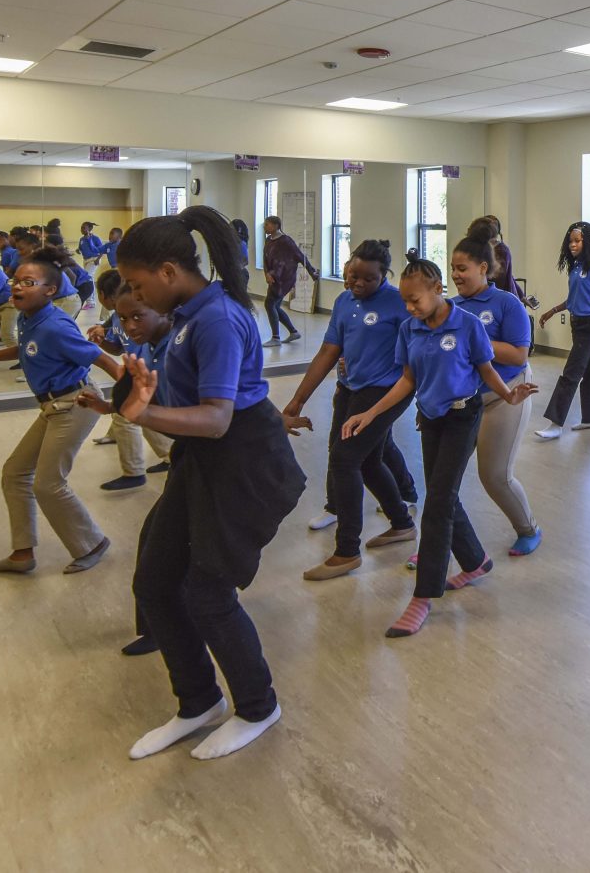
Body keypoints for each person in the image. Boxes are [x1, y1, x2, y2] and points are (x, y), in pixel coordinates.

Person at [115, 206, 306, 763]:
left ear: (169, 271)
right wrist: (142, 390)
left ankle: (257, 705)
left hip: (240, 462)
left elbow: (218, 417)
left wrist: (142, 415)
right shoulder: (189, 315)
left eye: (137, 282)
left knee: (208, 593)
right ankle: (198, 701)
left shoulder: (217, 319)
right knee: (155, 581)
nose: (134, 294)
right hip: (201, 459)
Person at [340, 254, 538, 638]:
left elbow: (486, 369)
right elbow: (407, 380)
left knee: (438, 501)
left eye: (415, 300)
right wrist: (371, 413)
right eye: (405, 302)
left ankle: (423, 596)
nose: (409, 308)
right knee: (442, 495)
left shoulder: (466, 326)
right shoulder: (410, 329)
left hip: (463, 416)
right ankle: (476, 560)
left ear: (437, 290)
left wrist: (510, 396)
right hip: (430, 418)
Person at [0, 245, 118, 575]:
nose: (17, 287)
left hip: (76, 404)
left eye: (28, 283)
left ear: (50, 290)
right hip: (52, 406)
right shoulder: (30, 318)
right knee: (15, 473)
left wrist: (126, 390)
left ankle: (92, 542)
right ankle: (22, 554)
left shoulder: (55, 326)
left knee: (48, 484)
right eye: (16, 281)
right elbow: (21, 350)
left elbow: (98, 355)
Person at [280, 239, 420, 581]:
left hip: (386, 391)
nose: (357, 283)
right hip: (351, 387)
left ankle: (346, 551)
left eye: (367, 278)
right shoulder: (344, 302)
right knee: (368, 460)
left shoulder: (398, 302)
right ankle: (401, 523)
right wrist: (297, 400)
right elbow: (328, 351)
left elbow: (422, 347)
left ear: (383, 276)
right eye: (352, 274)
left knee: (345, 459)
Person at [78, 279, 177, 658]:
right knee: (156, 551)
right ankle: (156, 628)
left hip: (216, 466)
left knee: (175, 557)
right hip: (190, 462)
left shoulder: (179, 348)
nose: (129, 326)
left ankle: (169, 628)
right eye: (123, 318)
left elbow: (221, 411)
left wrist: (141, 412)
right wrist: (111, 409)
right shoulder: (149, 350)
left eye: (138, 316)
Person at [452, 234, 542, 556]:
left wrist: (476, 340)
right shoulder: (453, 307)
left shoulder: (507, 303)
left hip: (506, 396)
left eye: (462, 268)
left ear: (483, 268)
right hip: (466, 399)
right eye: (453, 269)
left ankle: (528, 528)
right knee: (443, 481)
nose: (456, 275)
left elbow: (519, 355)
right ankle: (437, 543)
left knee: (494, 476)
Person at [534, 221, 590, 440]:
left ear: (588, 242)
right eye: (570, 241)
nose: (572, 245)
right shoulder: (575, 268)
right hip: (577, 325)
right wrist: (552, 311)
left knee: (571, 373)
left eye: (577, 241)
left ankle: (556, 423)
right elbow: (573, 298)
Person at [86, 269, 172, 490]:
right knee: (140, 416)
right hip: (135, 373)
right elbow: (117, 347)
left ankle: (134, 472)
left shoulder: (142, 309)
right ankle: (168, 457)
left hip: (147, 373)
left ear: (106, 295)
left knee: (126, 417)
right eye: (125, 319)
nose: (130, 324)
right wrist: (102, 340)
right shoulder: (116, 317)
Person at [261, 215, 318, 345]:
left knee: (269, 304)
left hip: (283, 279)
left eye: (267, 224)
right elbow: (265, 259)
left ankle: (276, 338)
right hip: (273, 277)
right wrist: (267, 274)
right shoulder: (268, 240)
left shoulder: (286, 241)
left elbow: (300, 256)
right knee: (274, 306)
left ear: (276, 226)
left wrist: (312, 272)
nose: (265, 226)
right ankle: (293, 332)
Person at [468, 215, 526, 305]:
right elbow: (509, 277)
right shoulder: (484, 249)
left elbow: (499, 281)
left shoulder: (501, 251)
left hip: (500, 303)